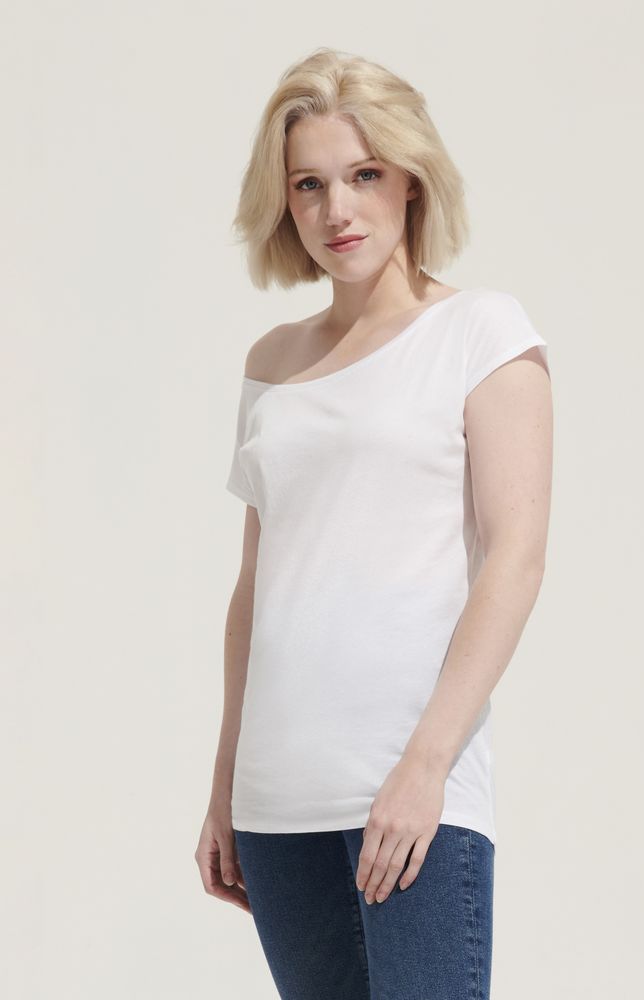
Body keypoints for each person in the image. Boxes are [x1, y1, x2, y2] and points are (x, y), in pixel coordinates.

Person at [195, 47, 552, 1000]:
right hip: (276, 800)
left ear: (411, 179)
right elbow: (256, 590)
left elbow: (515, 560)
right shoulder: (272, 362)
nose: (336, 211)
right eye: (308, 184)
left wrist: (425, 767)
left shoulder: (482, 332)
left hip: (411, 788)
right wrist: (225, 781)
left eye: (363, 175)